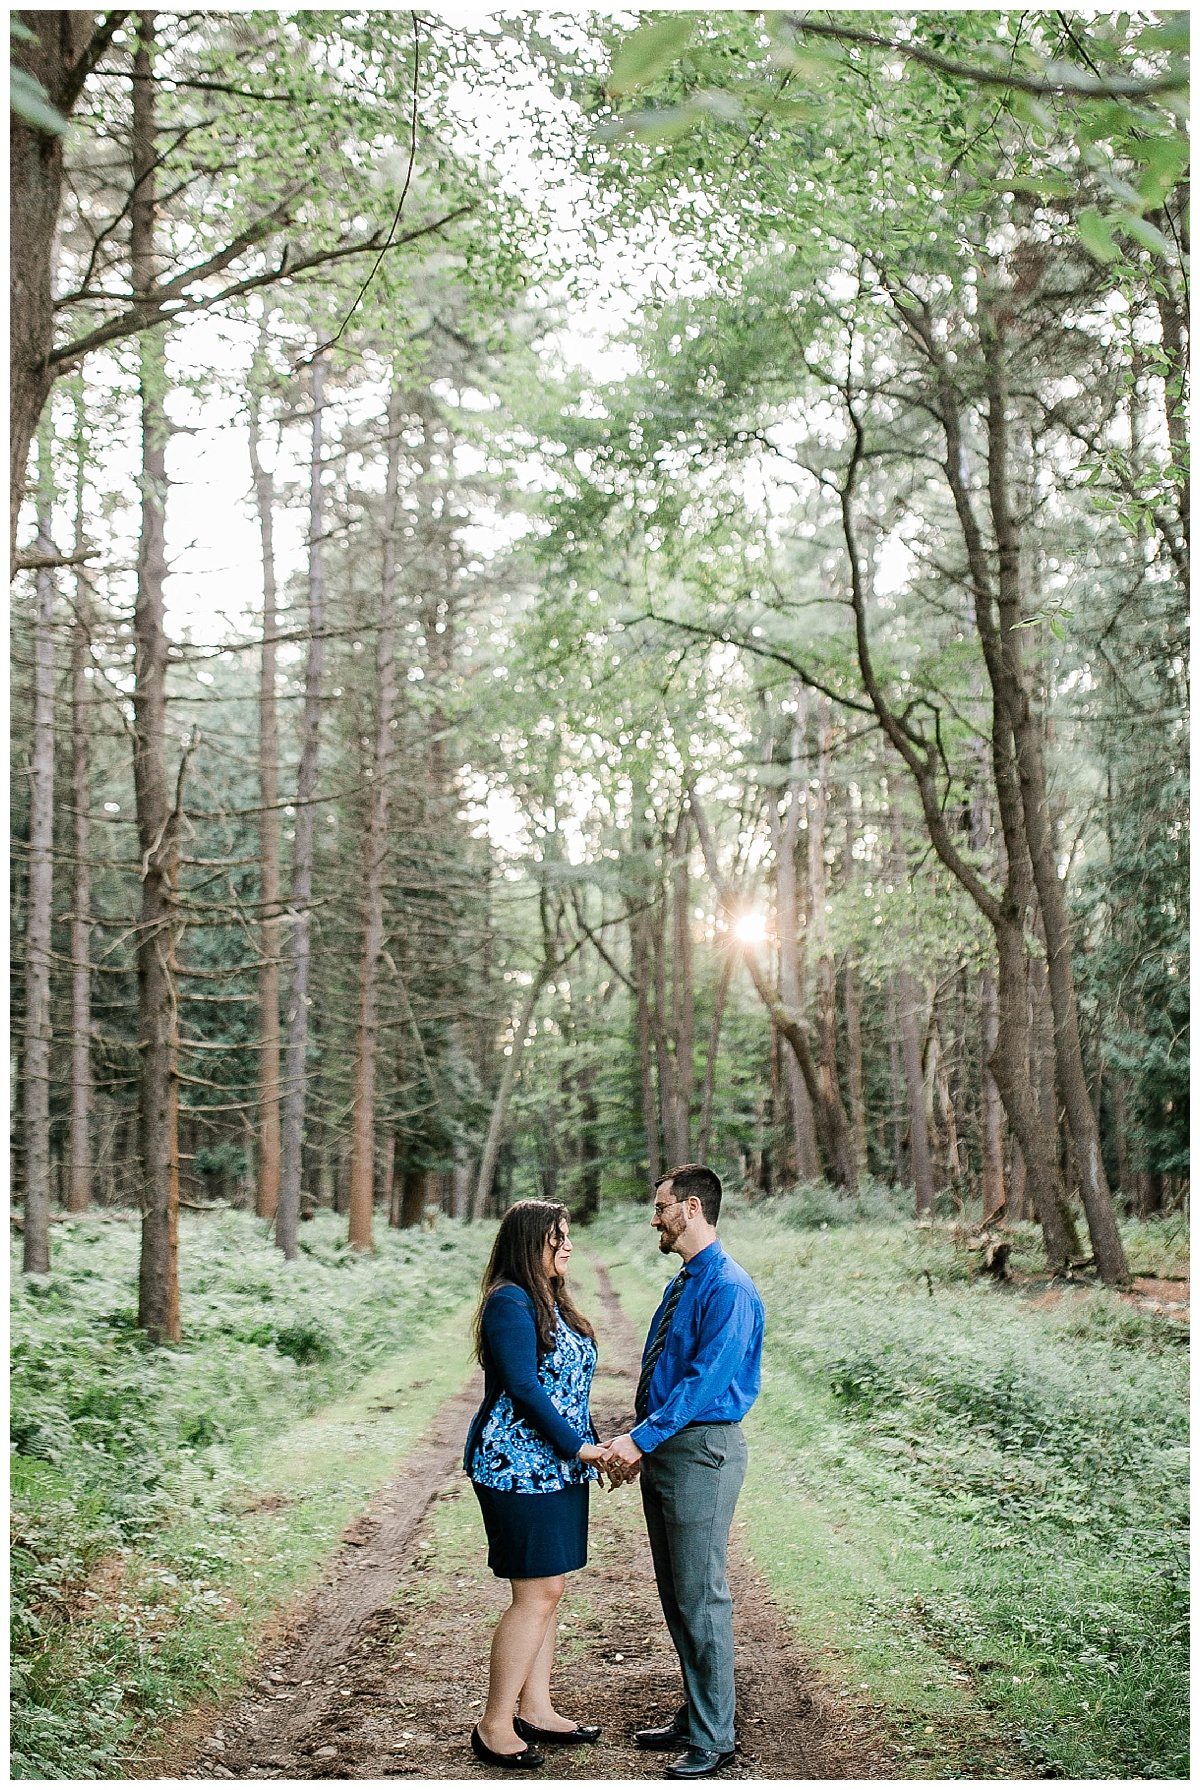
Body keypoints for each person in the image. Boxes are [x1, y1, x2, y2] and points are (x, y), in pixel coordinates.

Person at [603, 1164, 765, 1780]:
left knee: (701, 1594)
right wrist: (646, 1441)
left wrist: (637, 1440)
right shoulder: (687, 1281)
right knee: (677, 1594)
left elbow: (703, 1386)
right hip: (671, 1449)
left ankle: (715, 1736)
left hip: (701, 1451)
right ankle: (698, 1713)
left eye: (661, 1208)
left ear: (691, 1208)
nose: (655, 1219)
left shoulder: (728, 1286)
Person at [463, 1199, 611, 1770]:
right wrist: (581, 1447)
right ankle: (494, 1724)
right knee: (536, 1593)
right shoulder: (509, 1301)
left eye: (569, 1235)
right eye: (557, 1238)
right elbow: (525, 1388)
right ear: (531, 1244)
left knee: (551, 1590)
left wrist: (591, 1450)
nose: (568, 1246)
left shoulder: (552, 1300)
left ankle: (538, 1708)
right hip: (514, 1465)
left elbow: (571, 1392)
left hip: (558, 1466)